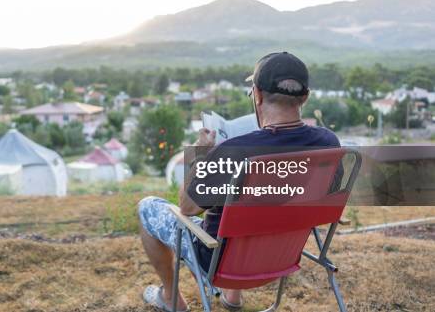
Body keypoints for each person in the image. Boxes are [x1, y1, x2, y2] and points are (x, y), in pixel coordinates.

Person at [139, 52, 341, 311]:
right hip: (282, 256)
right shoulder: (328, 144)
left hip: (220, 262)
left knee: (147, 206)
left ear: (256, 94)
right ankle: (231, 298)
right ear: (305, 97)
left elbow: (187, 208)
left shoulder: (234, 152)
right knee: (248, 206)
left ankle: (170, 298)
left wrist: (200, 156)